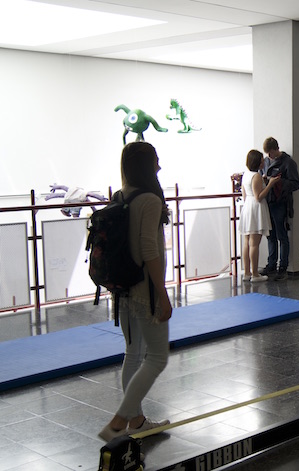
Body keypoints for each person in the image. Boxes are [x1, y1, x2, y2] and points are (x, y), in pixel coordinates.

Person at [99, 141, 173, 441]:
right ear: (146, 165)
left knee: (133, 354)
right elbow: (148, 249)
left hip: (123, 289)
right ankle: (120, 420)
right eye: (155, 160)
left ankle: (137, 420)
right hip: (145, 291)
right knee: (157, 358)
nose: (159, 165)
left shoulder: (121, 195)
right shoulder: (150, 200)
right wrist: (162, 294)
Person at [259, 137, 299, 281]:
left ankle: (283, 267)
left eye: (270, 153)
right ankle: (271, 264)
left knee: (282, 235)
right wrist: (265, 180)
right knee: (270, 235)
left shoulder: (288, 163)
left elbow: (296, 184)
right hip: (267, 202)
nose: (269, 156)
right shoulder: (265, 162)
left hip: (280, 203)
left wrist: (279, 182)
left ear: (276, 149)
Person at [239, 150, 281, 282]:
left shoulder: (246, 175)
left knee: (247, 242)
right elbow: (259, 197)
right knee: (254, 244)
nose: (263, 162)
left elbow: (245, 194)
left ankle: (247, 273)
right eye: (262, 160)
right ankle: (255, 274)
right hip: (256, 208)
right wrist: (270, 184)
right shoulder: (256, 176)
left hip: (247, 206)